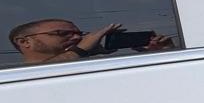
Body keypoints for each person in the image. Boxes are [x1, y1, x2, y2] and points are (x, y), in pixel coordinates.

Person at [8, 19, 173, 65]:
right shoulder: (11, 77)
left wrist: (162, 53)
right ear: (24, 42)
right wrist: (82, 49)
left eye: (80, 34)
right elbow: (40, 73)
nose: (76, 38)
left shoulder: (93, 65)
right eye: (62, 33)